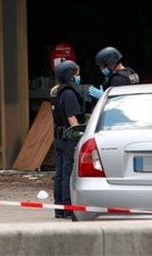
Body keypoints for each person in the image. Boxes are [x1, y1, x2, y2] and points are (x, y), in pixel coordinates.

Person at [50, 60, 84, 219]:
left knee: (59, 173)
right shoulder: (69, 93)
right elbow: (72, 118)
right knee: (67, 172)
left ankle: (59, 208)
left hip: (58, 137)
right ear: (70, 76)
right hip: (69, 137)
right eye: (76, 74)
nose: (77, 77)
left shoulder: (56, 92)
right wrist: (80, 137)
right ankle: (68, 207)